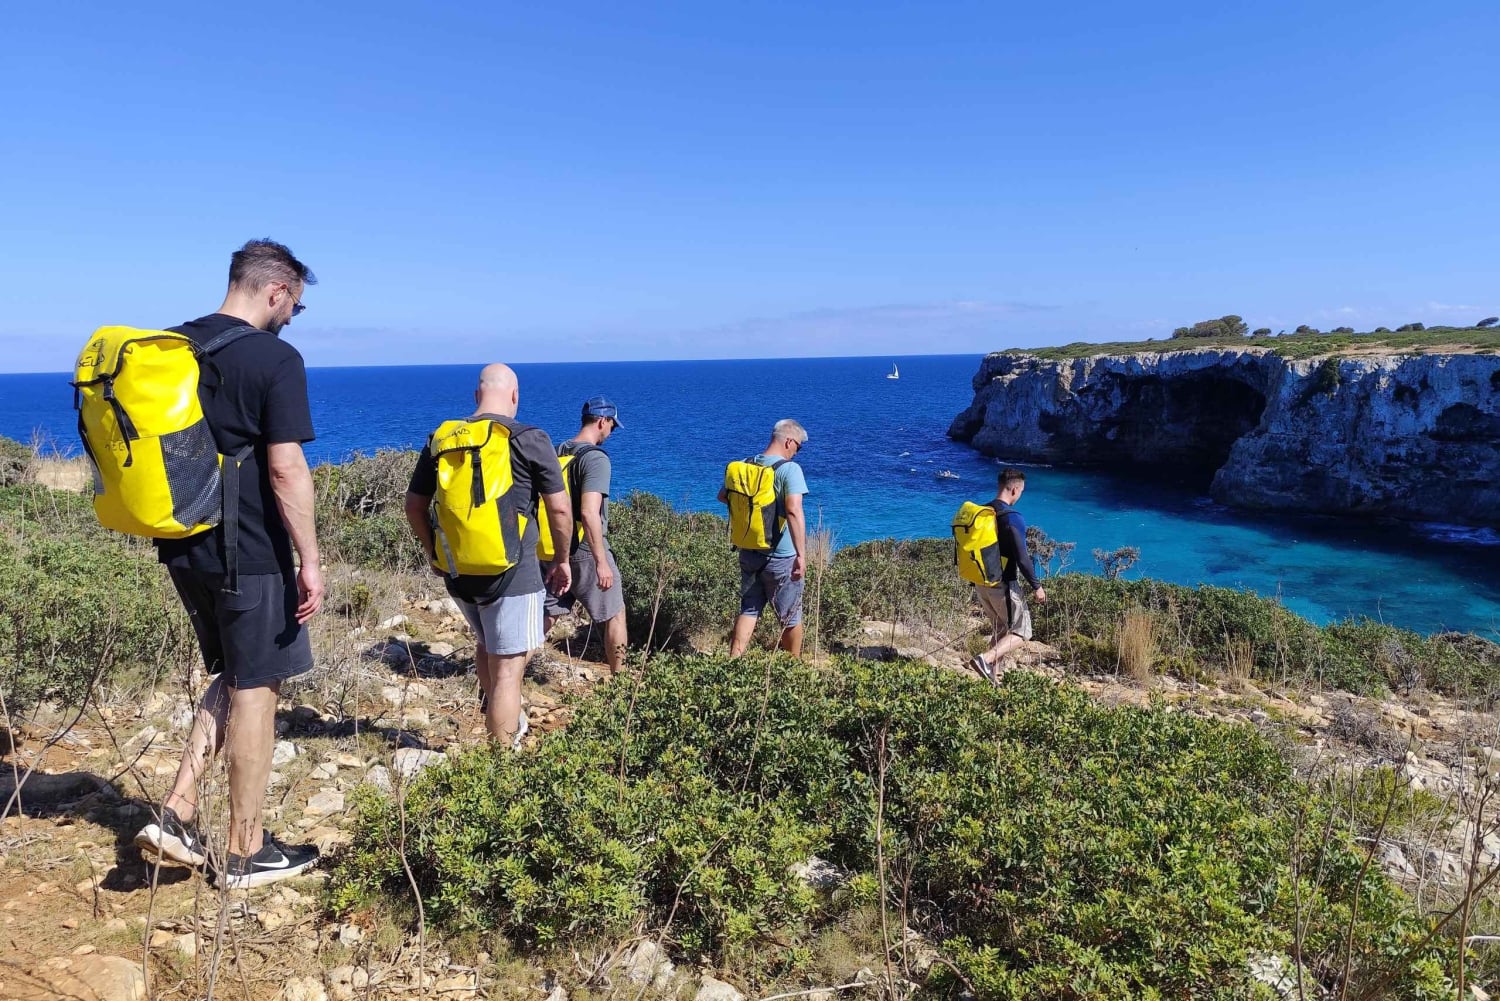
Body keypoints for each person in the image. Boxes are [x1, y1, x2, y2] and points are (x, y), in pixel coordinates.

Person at [133, 239, 325, 889]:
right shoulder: (275, 358)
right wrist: (310, 559)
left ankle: (177, 810)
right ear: (276, 291)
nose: (292, 317)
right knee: (257, 690)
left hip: (184, 544)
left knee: (235, 672)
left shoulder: (172, 346)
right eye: (295, 305)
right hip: (250, 552)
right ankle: (246, 852)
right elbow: (286, 468)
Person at [404, 364, 572, 747]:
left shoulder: (441, 439)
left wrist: (434, 553)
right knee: (509, 670)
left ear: (476, 395)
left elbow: (414, 506)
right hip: (513, 572)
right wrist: (561, 559)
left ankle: (500, 722)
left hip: (458, 570)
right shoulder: (529, 438)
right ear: (514, 396)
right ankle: (501, 763)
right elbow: (560, 509)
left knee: (487, 645)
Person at [543, 397, 628, 674]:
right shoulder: (595, 458)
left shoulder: (556, 451)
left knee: (547, 615)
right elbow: (590, 513)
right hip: (584, 550)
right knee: (614, 614)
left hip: (554, 548)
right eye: (612, 427)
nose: (610, 433)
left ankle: (507, 675)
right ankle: (621, 681)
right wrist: (601, 562)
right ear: (603, 421)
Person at [720, 419, 810, 657]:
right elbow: (793, 510)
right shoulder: (789, 470)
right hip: (781, 557)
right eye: (798, 447)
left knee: (749, 609)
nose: (797, 452)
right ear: (789, 441)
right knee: (791, 617)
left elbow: (723, 496)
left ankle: (733, 662)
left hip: (748, 550)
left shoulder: (744, 465)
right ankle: (794, 668)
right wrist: (801, 555)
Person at [969, 467, 1047, 683]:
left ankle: (992, 679)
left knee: (1002, 629)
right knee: (1022, 631)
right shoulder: (1011, 518)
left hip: (981, 582)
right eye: (1021, 491)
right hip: (1002, 584)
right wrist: (1037, 587)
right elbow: (1022, 557)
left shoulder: (983, 512)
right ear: (1014, 489)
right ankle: (985, 659)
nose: (1020, 495)